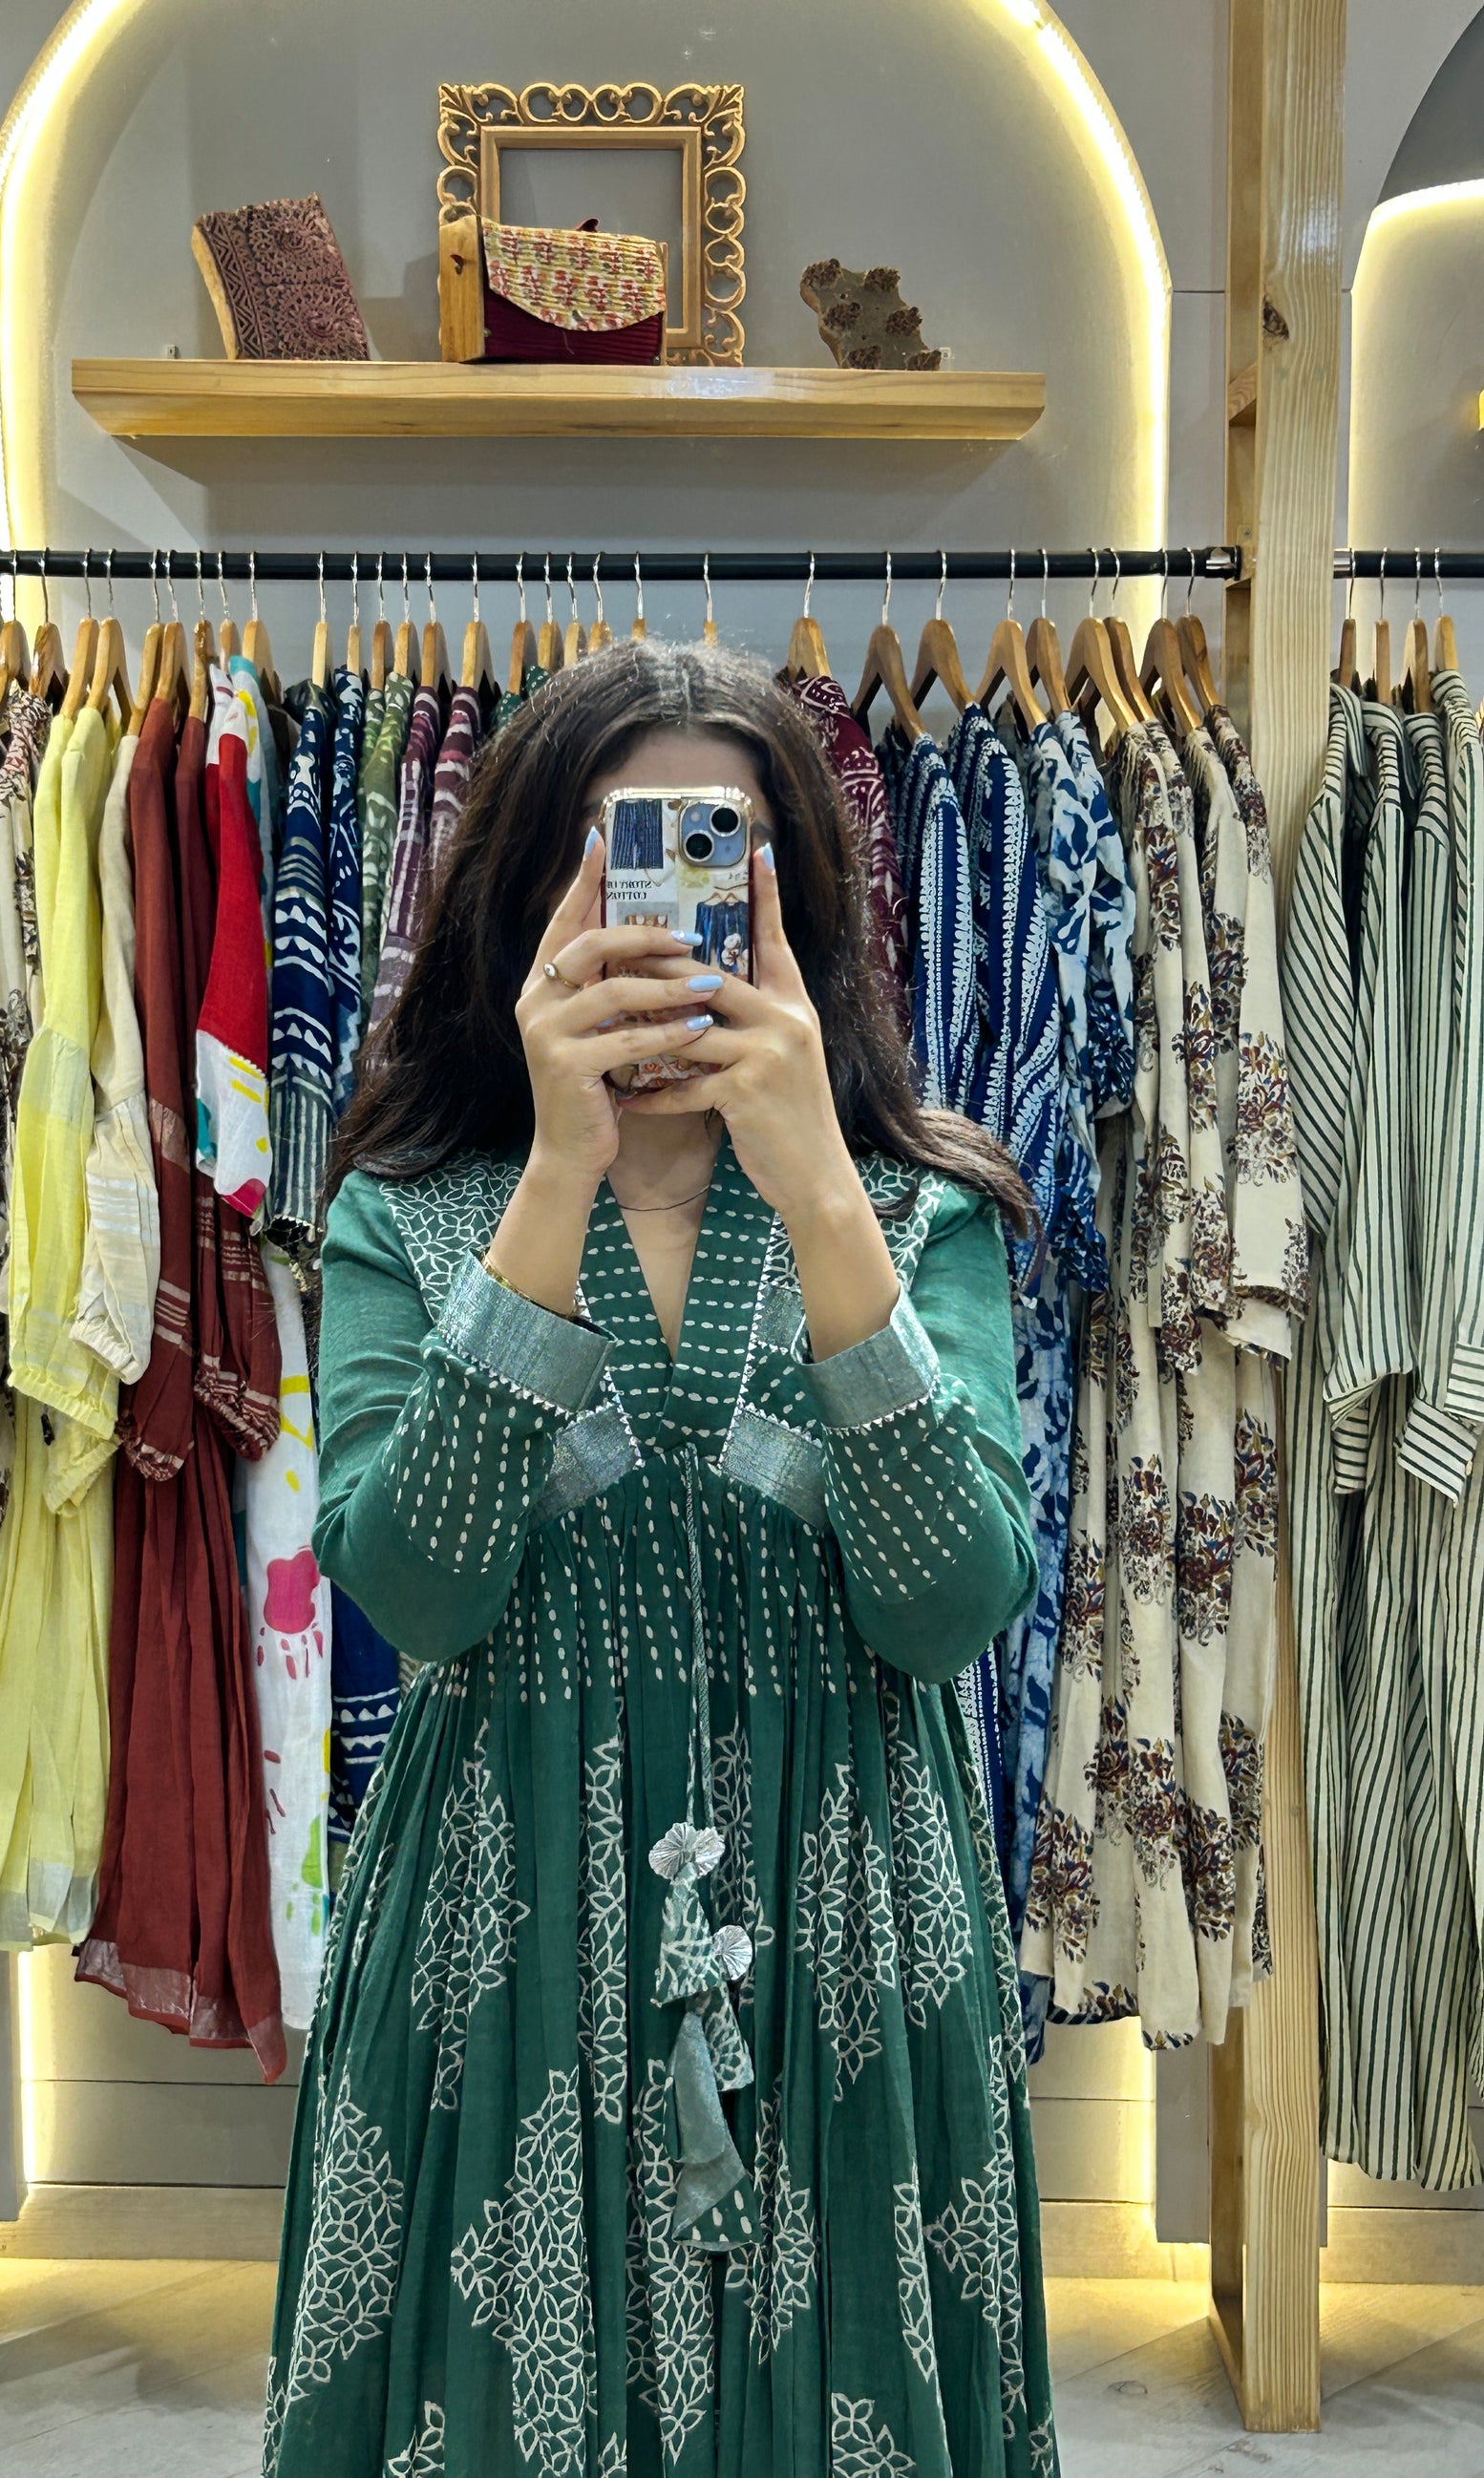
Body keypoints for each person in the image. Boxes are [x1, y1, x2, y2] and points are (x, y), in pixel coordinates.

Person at [262, 641, 1060, 2478]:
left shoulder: (920, 1208)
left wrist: (825, 1194)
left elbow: (949, 1606)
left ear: (801, 907)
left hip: (851, 1924)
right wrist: (556, 1172)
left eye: (723, 856)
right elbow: (419, 1591)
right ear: (530, 900)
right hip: (498, 1931)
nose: (668, 918)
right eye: (618, 858)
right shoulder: (409, 1210)